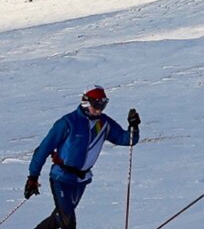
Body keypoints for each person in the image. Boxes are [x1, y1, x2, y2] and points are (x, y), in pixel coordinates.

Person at [24, 85, 140, 229]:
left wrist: (133, 127)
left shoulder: (103, 123)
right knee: (68, 222)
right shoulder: (68, 123)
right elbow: (43, 149)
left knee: (59, 218)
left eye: (103, 106)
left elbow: (126, 139)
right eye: (97, 105)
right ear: (86, 102)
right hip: (61, 178)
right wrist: (33, 177)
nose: (99, 110)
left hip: (81, 180)